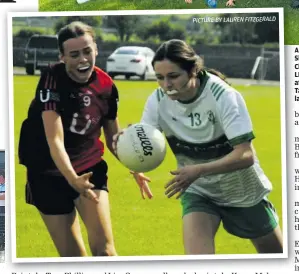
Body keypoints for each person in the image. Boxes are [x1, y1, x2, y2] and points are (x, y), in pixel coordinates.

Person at [114, 39, 283, 254]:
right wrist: (127, 147)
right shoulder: (157, 100)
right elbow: (145, 142)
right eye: (160, 78)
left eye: (173, 76)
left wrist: (199, 170)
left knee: (276, 258)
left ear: (193, 70)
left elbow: (246, 154)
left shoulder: (223, 96)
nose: (166, 85)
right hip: (198, 190)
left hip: (242, 190)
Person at [18, 21, 152, 257]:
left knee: (106, 253)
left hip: (89, 169)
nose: (83, 59)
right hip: (46, 174)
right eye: (74, 54)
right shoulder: (51, 78)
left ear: (96, 50)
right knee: (74, 259)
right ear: (62, 57)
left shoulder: (107, 85)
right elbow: (54, 138)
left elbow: (113, 137)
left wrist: (135, 165)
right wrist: (72, 179)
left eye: (87, 51)